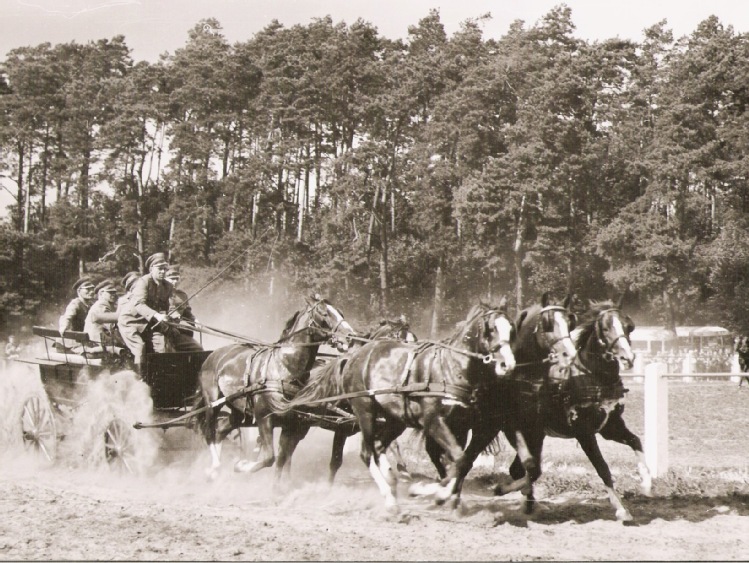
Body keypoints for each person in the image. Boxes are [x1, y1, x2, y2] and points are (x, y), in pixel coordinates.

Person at [117, 252, 201, 377]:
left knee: (168, 347)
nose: (162, 271)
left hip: (152, 322)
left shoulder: (167, 286)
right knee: (140, 349)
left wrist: (177, 315)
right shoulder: (143, 282)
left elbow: (171, 305)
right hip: (131, 322)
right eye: (159, 268)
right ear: (151, 269)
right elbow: (139, 304)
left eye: (164, 269)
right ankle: (142, 379)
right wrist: (157, 315)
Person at [164, 264, 199, 340]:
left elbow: (186, 313)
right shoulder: (160, 294)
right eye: (172, 279)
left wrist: (195, 322)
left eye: (177, 279)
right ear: (165, 279)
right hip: (163, 329)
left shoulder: (182, 295)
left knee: (196, 348)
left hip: (177, 329)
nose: (175, 281)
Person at [84, 279, 120, 350]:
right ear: (101, 293)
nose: (113, 295)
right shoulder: (102, 305)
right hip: (97, 342)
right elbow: (110, 325)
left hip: (98, 340)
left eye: (114, 292)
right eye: (110, 292)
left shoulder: (104, 304)